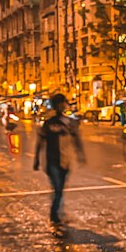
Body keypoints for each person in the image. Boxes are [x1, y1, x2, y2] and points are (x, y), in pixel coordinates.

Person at [33, 93, 83, 223]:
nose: (61, 106)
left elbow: (76, 139)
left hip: (65, 161)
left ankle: (58, 209)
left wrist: (80, 154)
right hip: (52, 161)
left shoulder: (68, 122)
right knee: (58, 188)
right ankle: (54, 213)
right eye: (58, 103)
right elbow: (40, 142)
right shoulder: (49, 123)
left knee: (60, 188)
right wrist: (36, 159)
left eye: (62, 103)